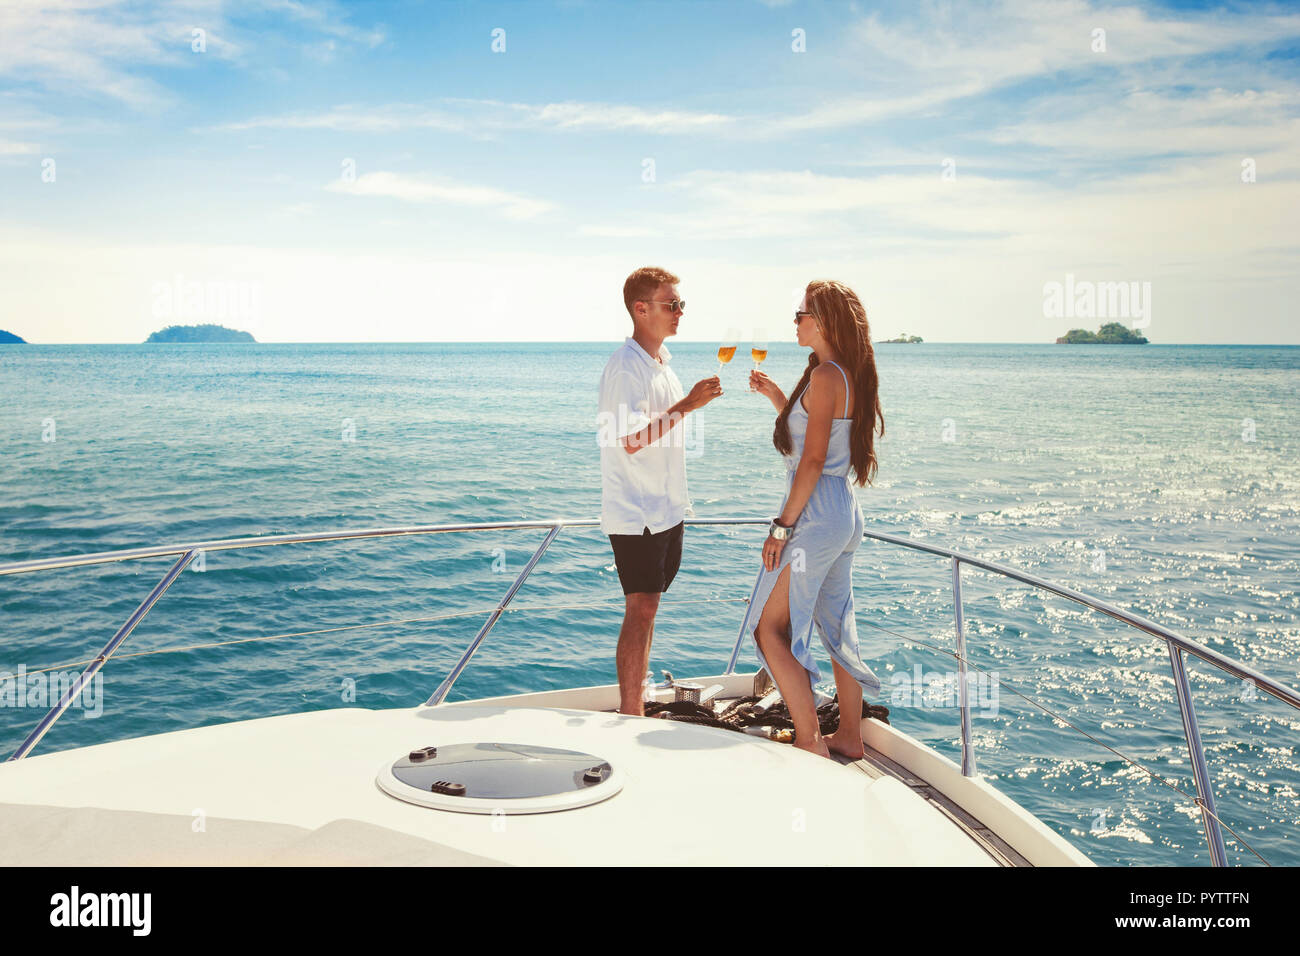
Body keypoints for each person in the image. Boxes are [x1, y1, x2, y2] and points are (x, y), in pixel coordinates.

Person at [747, 279, 885, 759]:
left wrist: (781, 527)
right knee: (834, 627)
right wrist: (778, 397)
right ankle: (849, 735)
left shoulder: (827, 376)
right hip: (843, 511)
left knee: (768, 630)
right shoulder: (843, 375)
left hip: (816, 515)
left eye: (802, 313)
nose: (796, 321)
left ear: (823, 320)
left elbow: (810, 462)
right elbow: (817, 441)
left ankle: (810, 741)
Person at [598, 266, 722, 716]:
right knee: (641, 607)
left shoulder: (662, 363)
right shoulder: (624, 368)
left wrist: (686, 401)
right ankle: (631, 709)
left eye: (681, 304)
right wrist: (689, 403)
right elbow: (629, 440)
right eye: (672, 305)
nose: (679, 312)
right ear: (641, 308)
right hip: (637, 510)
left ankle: (639, 697)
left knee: (649, 607)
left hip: (667, 507)